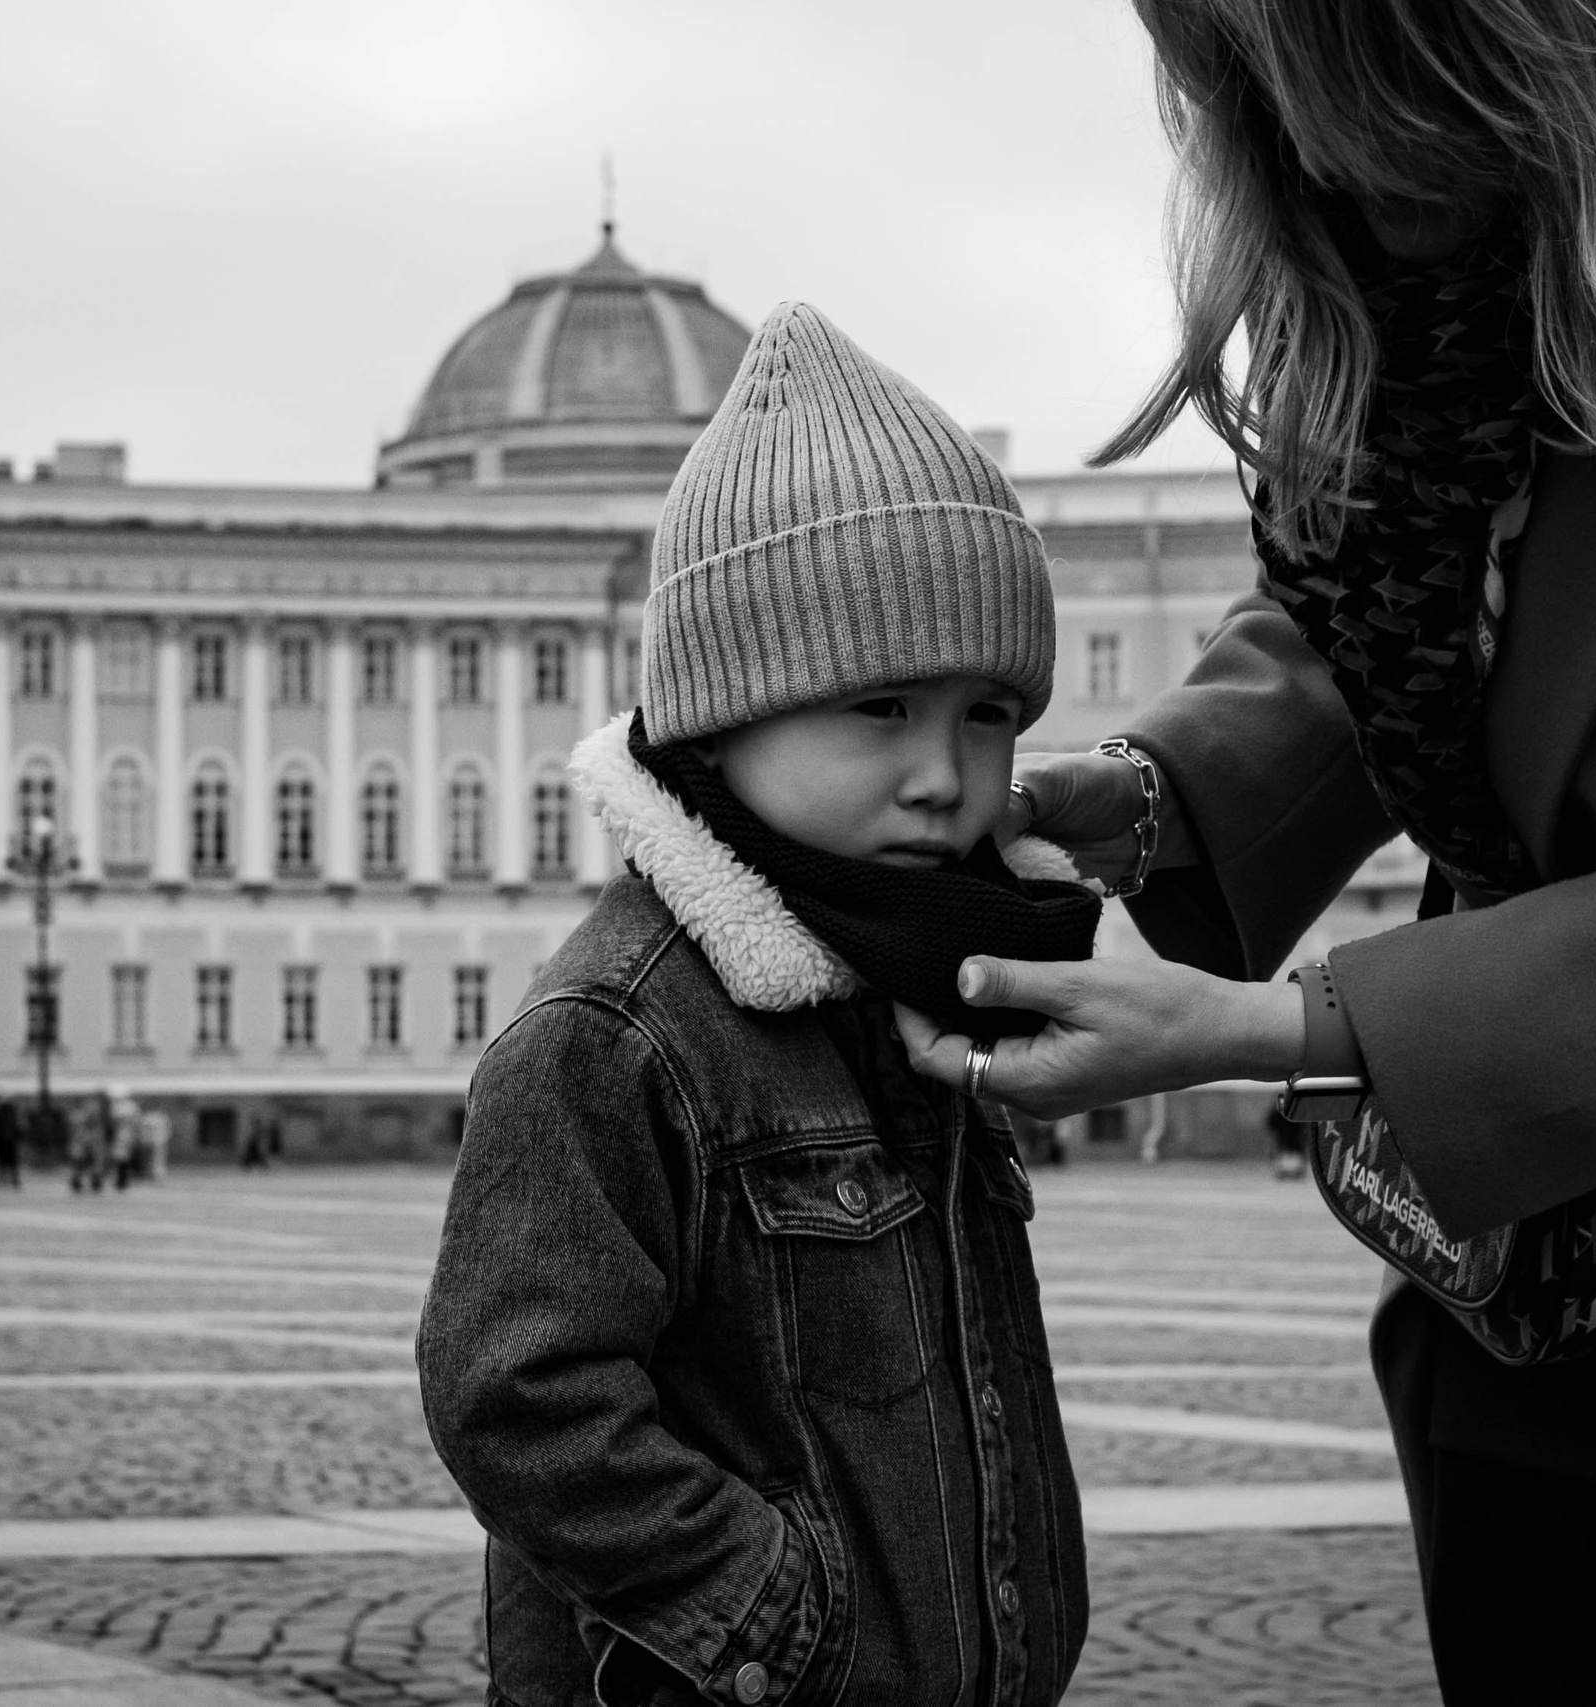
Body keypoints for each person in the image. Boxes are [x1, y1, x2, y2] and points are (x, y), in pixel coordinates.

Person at [895, 4, 1596, 1704]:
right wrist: (1164, 789)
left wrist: (1291, 1028)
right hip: (1552, 1221)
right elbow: (1415, 602)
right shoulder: (1432, 184)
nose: (1320, 164)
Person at [420, 303, 1097, 1706]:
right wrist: (782, 1619)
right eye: (882, 706)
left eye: (987, 711)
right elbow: (517, 1392)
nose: (945, 773)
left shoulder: (916, 981)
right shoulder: (614, 1031)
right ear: (722, 713)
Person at [0, 1098, 22, 1189]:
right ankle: (7, 1179)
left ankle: (9, 1179)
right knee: (6, 1162)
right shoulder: (3, 1117)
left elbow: (16, 1130)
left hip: (7, 1142)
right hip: (5, 1143)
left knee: (7, 1162)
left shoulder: (9, 1117)